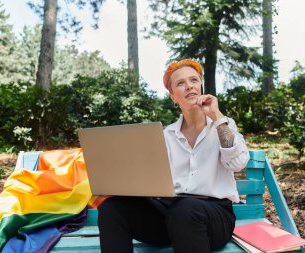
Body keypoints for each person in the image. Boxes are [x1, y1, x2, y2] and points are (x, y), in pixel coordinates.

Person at [98, 59, 250, 253]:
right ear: (173, 97)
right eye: (180, 83)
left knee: (185, 210)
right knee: (112, 208)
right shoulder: (166, 135)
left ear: (201, 85)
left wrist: (216, 115)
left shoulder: (223, 125)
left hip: (214, 217)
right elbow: (152, 181)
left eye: (193, 80)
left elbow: (238, 163)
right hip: (170, 215)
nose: (189, 86)